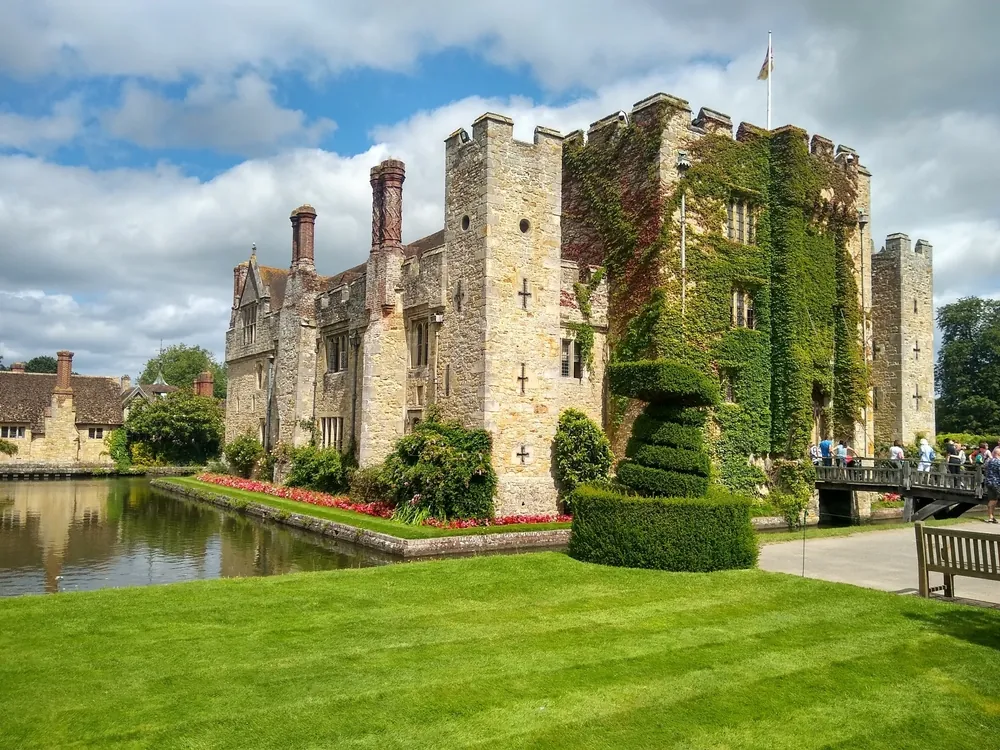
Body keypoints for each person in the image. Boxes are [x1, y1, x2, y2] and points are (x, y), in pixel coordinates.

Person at [983, 447, 1000, 524]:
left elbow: (985, 468)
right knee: (994, 500)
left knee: (992, 499)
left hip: (988, 482)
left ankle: (991, 517)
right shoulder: (999, 462)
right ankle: (991, 516)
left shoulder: (989, 461)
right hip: (996, 483)